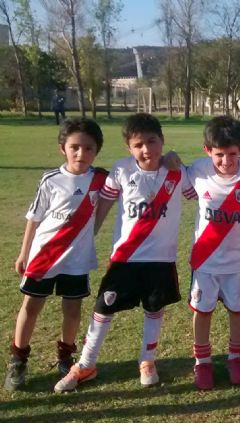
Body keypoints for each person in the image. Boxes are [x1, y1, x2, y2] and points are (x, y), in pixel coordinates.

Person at [54, 113, 196, 393]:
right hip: (125, 258)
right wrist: (87, 237)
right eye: (138, 144)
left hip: (161, 259)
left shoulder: (178, 172)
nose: (147, 150)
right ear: (129, 148)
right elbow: (104, 207)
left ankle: (147, 360)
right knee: (103, 309)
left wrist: (178, 160)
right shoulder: (120, 170)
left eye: (152, 142)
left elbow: (201, 194)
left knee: (154, 309)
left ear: (162, 141)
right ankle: (86, 364)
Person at [4, 118, 108, 391]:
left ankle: (66, 357)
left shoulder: (100, 180)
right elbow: (34, 218)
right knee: (31, 307)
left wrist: (168, 158)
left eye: (88, 148)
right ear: (63, 148)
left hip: (77, 259)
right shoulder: (51, 179)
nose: (81, 154)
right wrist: (24, 253)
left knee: (72, 310)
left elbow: (136, 171)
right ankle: (18, 360)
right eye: (74, 147)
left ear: (96, 150)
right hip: (44, 255)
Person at [186, 116, 240, 390]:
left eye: (232, 154)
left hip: (237, 262)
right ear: (207, 151)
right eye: (219, 154)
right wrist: (170, 160)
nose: (226, 160)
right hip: (205, 261)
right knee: (203, 311)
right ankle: (203, 361)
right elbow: (178, 184)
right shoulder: (197, 171)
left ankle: (236, 357)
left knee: (238, 310)